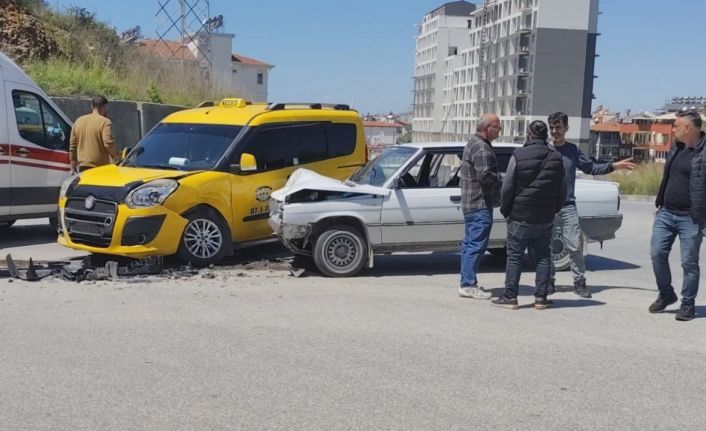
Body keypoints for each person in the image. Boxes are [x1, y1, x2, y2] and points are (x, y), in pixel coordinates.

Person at [547, 112, 635, 298]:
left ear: (566, 128)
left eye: (558, 127)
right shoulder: (545, 149)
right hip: (547, 208)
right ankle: (548, 282)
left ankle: (579, 283)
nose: (555, 131)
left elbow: (590, 167)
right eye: (552, 128)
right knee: (547, 247)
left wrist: (613, 166)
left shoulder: (573, 150)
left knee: (574, 246)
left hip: (568, 207)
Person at [492, 120, 565, 309]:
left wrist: (506, 210)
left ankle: (510, 297)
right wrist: (553, 210)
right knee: (543, 257)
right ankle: (541, 298)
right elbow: (562, 190)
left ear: (529, 135)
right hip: (545, 217)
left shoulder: (518, 155)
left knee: (514, 257)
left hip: (519, 216)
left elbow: (507, 187)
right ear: (546, 135)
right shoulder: (556, 157)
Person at [648, 110, 706, 321]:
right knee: (657, 254)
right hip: (666, 213)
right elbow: (668, 177)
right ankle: (666, 294)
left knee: (689, 263)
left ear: (688, 128)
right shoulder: (676, 147)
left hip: (691, 218)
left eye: (676, 126)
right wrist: (660, 202)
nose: (673, 130)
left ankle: (687, 304)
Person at [458, 113, 503, 299]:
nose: (499, 130)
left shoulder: (473, 142)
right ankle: (468, 284)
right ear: (486, 128)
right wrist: (500, 178)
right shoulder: (482, 147)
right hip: (480, 204)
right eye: (497, 127)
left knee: (469, 244)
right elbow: (484, 175)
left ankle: (466, 281)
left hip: (471, 203)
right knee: (476, 245)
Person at [69, 95, 117, 173]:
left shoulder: (78, 121)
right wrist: (115, 155)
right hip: (100, 168)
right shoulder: (105, 122)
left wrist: (73, 166)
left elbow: (73, 145)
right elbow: (108, 143)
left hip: (82, 167)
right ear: (105, 107)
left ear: (92, 107)